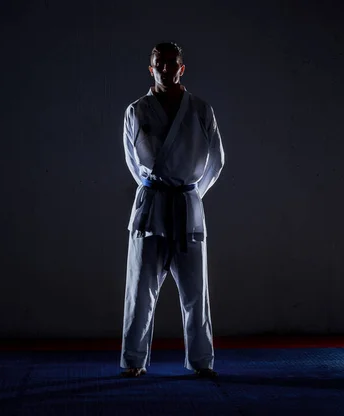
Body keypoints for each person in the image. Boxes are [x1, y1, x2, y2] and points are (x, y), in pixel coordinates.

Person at [120, 42, 225, 378]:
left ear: (183, 67)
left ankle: (200, 361)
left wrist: (191, 194)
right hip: (151, 207)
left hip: (186, 205)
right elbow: (133, 164)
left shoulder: (200, 110)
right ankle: (134, 360)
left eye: (172, 62)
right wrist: (157, 187)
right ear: (150, 69)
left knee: (196, 294)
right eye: (158, 63)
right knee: (139, 291)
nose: (166, 68)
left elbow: (217, 161)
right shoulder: (136, 110)